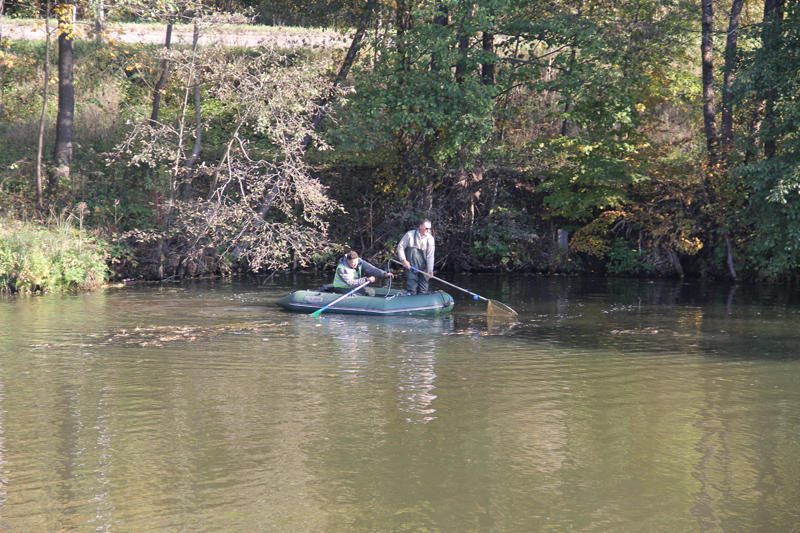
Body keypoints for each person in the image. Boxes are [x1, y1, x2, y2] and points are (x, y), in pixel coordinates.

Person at [396, 219, 435, 294]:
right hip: (411, 267)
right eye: (426, 228)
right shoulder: (409, 235)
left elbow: (430, 256)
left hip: (424, 269)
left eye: (429, 228)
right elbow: (400, 247)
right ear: (420, 226)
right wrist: (404, 260)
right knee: (411, 289)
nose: (428, 230)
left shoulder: (430, 239)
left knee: (423, 290)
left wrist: (430, 270)